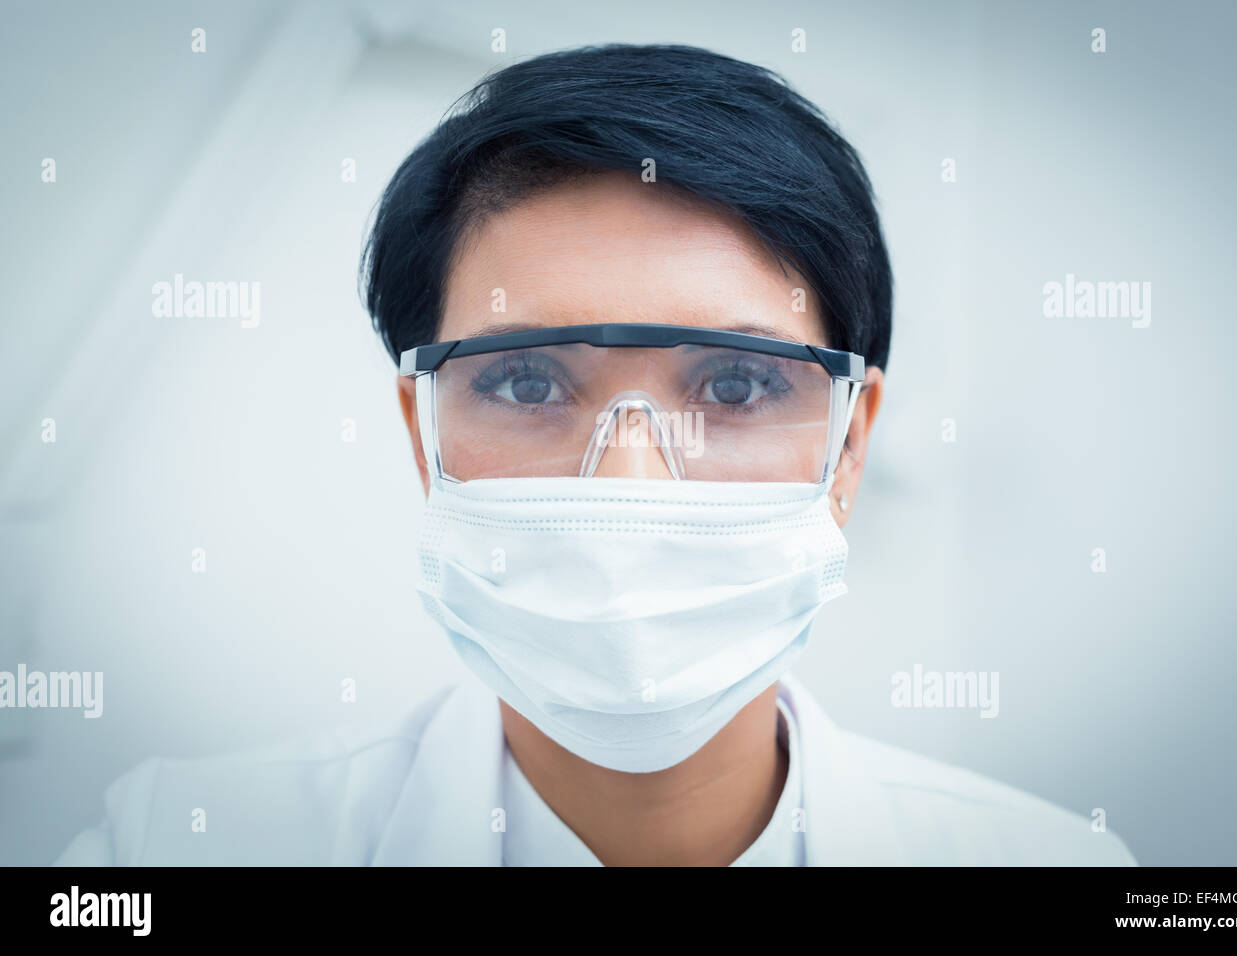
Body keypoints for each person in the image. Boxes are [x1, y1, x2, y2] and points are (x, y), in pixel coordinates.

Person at [55, 44, 1136, 866]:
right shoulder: (171, 847)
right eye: (527, 383)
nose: (628, 486)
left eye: (736, 384)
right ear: (422, 436)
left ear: (848, 443)